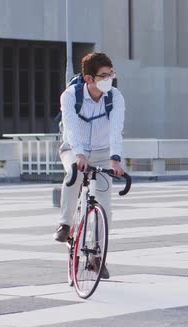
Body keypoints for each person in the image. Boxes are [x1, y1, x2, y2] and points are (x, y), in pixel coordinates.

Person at [53, 52, 125, 279]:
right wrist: (80, 154)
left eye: (111, 74)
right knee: (73, 175)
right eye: (103, 75)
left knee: (105, 206)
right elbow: (71, 128)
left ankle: (97, 256)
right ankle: (65, 225)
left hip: (104, 154)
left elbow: (116, 129)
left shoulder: (115, 97)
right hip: (73, 149)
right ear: (89, 79)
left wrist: (115, 159)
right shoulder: (70, 95)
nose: (109, 79)